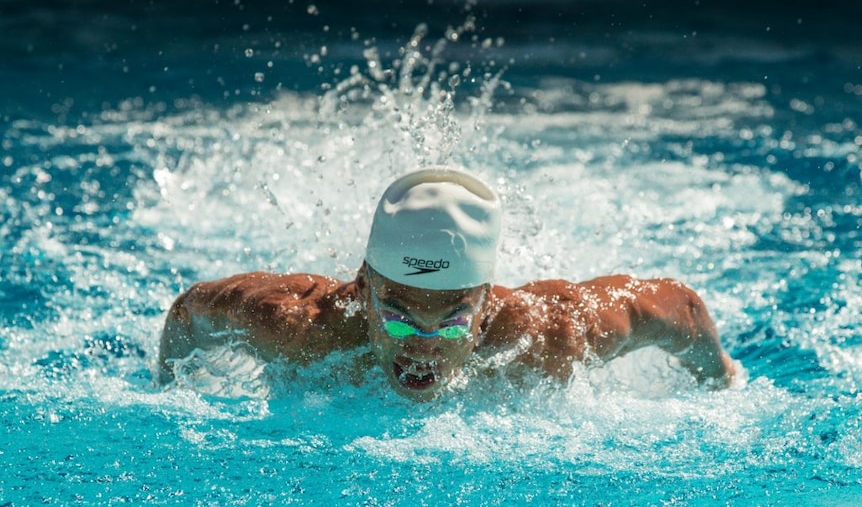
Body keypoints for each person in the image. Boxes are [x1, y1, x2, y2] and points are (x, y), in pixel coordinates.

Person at [157, 167, 735, 400]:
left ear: (486, 305)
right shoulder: (296, 327)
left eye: (454, 318)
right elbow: (189, 311)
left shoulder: (548, 337)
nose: (423, 342)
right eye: (400, 313)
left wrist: (723, 379)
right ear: (363, 290)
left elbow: (680, 308)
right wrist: (168, 387)